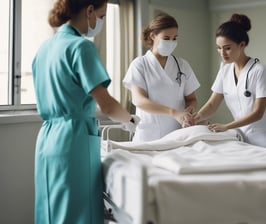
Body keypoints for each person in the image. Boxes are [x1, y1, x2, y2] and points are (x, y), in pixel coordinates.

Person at [32, 0, 138, 223]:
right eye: (101, 16)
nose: (100, 22)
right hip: (73, 140)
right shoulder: (81, 47)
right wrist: (130, 119)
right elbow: (106, 104)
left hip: (47, 139)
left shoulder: (44, 49)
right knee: (79, 212)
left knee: (52, 209)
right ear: (89, 10)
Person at [192, 13, 266, 152]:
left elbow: (257, 113)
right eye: (219, 47)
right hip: (243, 140)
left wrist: (226, 126)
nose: (222, 53)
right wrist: (195, 118)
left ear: (242, 44)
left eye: (227, 48)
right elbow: (212, 104)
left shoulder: (260, 71)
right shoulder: (224, 70)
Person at [123, 13, 200, 142]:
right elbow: (139, 100)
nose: (171, 42)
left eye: (174, 38)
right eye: (166, 38)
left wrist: (188, 112)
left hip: (177, 135)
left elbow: (191, 99)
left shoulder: (182, 65)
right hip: (148, 136)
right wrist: (174, 113)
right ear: (153, 36)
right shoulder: (140, 65)